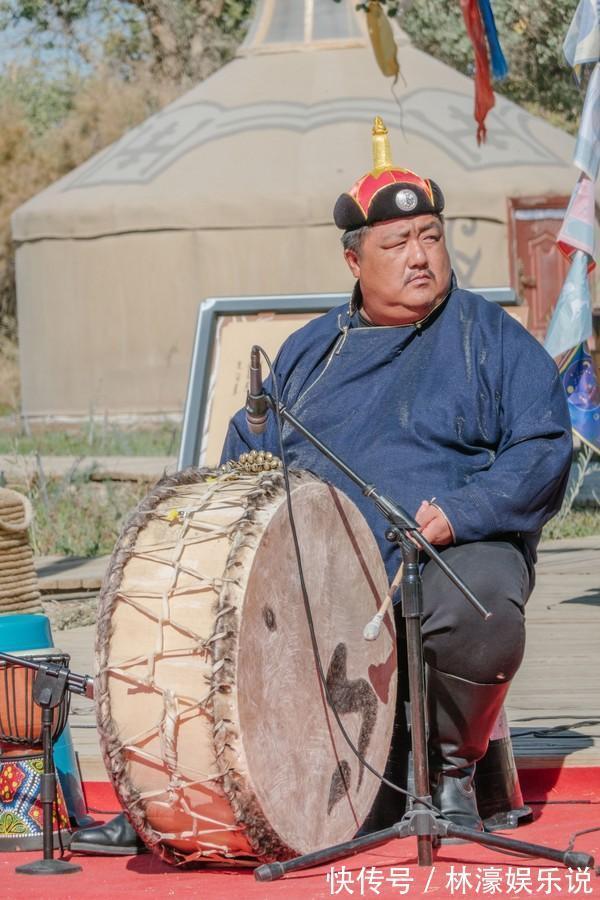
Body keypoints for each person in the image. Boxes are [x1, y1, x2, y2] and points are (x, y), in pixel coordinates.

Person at [70, 117, 572, 853]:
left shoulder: (491, 341)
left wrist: (463, 512)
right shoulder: (310, 354)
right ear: (353, 259)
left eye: (430, 237)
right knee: (201, 614)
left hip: (435, 553)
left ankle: (451, 772)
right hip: (318, 568)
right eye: (396, 244)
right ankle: (180, 794)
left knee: (483, 601)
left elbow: (542, 450)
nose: (420, 256)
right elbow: (250, 457)